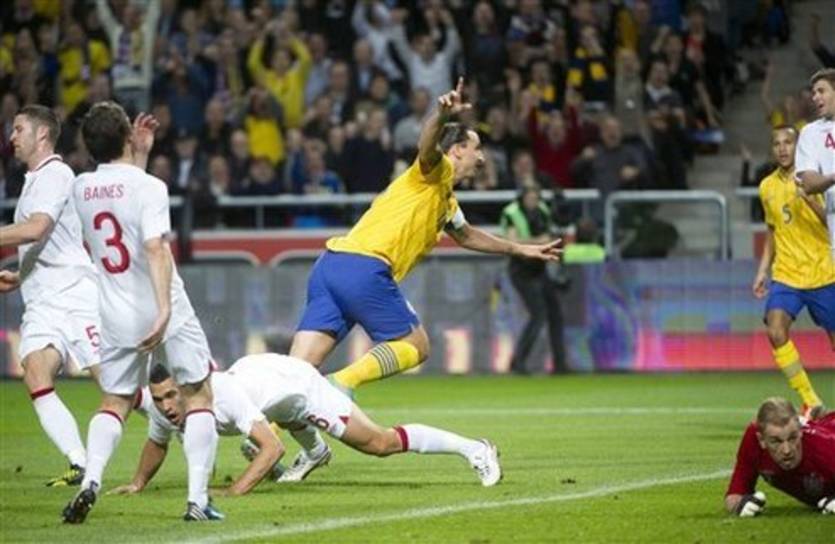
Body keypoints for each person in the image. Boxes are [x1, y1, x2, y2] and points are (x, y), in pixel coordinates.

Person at [290, 79, 561, 394]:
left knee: (297, 372)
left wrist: (520, 249)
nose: (482, 158)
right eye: (476, 149)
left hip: (330, 265)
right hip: (364, 268)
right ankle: (341, 383)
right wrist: (442, 115)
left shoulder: (446, 201)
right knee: (416, 346)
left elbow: (467, 236)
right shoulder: (436, 170)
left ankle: (265, 421)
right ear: (457, 150)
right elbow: (427, 146)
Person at [62, 102, 221, 523]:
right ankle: (197, 501)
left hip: (115, 312)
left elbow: (118, 199)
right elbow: (153, 246)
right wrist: (164, 308)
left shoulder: (80, 188)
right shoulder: (151, 187)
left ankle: (90, 481)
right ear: (127, 137)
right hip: (162, 304)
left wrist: (139, 156)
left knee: (115, 400)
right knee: (199, 394)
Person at [110, 355, 502, 495]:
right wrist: (138, 483)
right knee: (273, 418)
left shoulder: (224, 396)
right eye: (158, 399)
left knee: (378, 444)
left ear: (187, 387)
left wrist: (235, 490)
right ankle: (315, 452)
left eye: (171, 396)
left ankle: (476, 449)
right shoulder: (166, 406)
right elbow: (157, 443)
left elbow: (272, 447)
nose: (166, 407)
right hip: (266, 379)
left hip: (301, 386)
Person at [0, 105, 100, 487]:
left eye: (18, 129)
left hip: (75, 295)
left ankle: (189, 424)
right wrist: (21, 275)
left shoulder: (56, 173)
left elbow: (36, 229)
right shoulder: (34, 180)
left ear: (42, 134)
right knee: (35, 371)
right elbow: (45, 241)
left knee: (115, 385)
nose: (12, 137)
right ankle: (79, 462)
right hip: (43, 301)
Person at [754, 125, 833, 419]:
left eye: (788, 142)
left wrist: (810, 198)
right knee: (775, 329)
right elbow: (772, 231)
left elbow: (832, 224)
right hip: (787, 274)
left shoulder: (817, 179)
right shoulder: (767, 187)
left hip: (824, 272)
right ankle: (811, 401)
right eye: (777, 144)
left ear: (798, 146)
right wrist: (763, 271)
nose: (783, 148)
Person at [725, 397, 835, 516]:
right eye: (776, 441)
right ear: (761, 440)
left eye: (792, 438)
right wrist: (740, 506)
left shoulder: (825, 448)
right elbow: (734, 494)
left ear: (800, 432)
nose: (787, 450)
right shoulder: (753, 441)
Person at [500, 185, 566, 374]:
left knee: (555, 314)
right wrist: (539, 242)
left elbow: (551, 235)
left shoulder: (542, 210)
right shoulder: (511, 213)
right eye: (530, 198)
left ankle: (560, 364)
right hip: (521, 268)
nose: (533, 202)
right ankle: (518, 362)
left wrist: (545, 240)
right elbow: (513, 241)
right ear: (522, 198)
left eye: (536, 198)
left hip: (539, 268)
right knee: (538, 315)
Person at [794, 68, 835, 262]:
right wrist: (833, 177)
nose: (815, 97)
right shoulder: (810, 133)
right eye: (814, 93)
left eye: (821, 91)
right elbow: (809, 183)